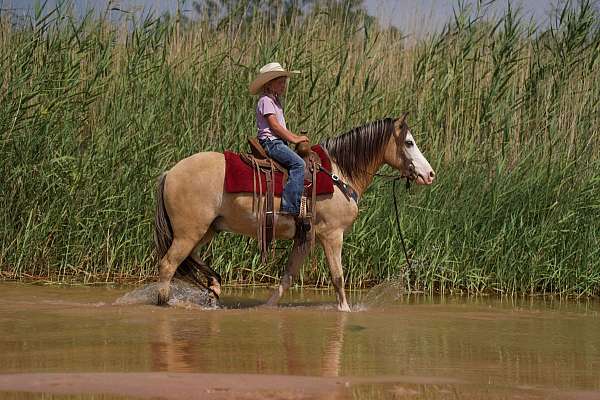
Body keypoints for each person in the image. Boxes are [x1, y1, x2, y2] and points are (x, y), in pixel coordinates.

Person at [249, 62, 309, 216]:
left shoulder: (274, 101)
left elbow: (280, 127)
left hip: (278, 141)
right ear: (269, 84)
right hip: (271, 142)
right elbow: (275, 127)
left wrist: (295, 137)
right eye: (280, 82)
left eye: (284, 82)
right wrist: (295, 140)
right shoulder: (266, 101)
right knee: (298, 164)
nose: (283, 86)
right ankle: (289, 208)